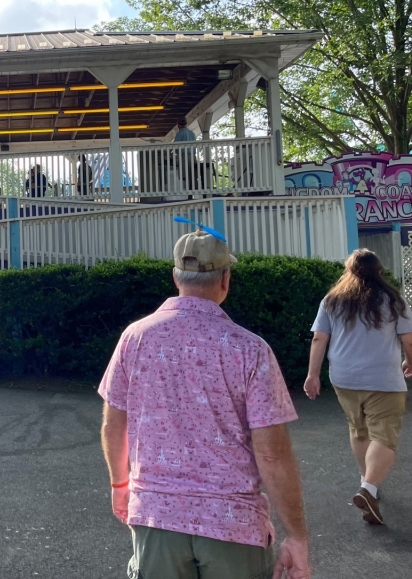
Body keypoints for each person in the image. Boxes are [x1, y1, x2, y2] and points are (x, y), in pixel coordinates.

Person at [99, 229, 311, 579]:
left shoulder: (134, 338)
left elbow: (113, 424)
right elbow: (272, 454)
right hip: (235, 525)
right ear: (225, 279)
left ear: (175, 276)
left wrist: (120, 486)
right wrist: (297, 536)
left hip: (156, 517)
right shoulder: (250, 349)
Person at [304, 249, 412, 526]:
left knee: (359, 429)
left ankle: (367, 481)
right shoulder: (393, 299)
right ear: (379, 271)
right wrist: (410, 363)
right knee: (384, 434)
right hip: (384, 379)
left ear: (349, 271)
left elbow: (319, 339)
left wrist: (312, 375)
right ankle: (369, 489)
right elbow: (408, 339)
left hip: (344, 378)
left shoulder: (332, 300)